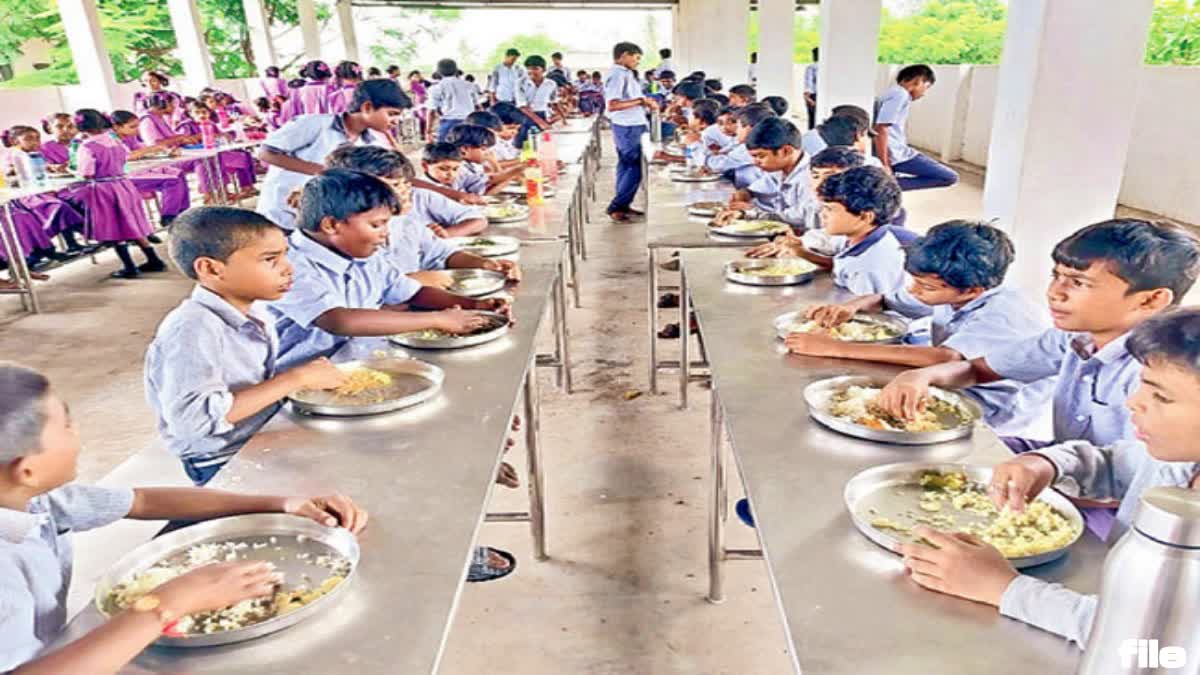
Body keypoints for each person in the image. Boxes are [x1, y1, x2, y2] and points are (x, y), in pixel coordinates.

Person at [0, 362, 369, 674]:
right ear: (27, 470)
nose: (77, 433)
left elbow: (142, 501)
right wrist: (166, 605)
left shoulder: (34, 499)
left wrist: (282, 503)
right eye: (66, 425)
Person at [896, 308, 1200, 648]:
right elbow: (1111, 463)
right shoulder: (1179, 461)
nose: (1133, 403)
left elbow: (1151, 645)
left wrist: (1004, 589)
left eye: (1161, 397)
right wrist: (1047, 463)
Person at [879, 219, 1200, 468]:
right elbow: (979, 370)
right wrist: (922, 377)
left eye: (1078, 283)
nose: (1054, 292)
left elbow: (1137, 476)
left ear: (1151, 300)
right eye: (1056, 276)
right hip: (1060, 461)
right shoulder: (1075, 337)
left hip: (1105, 496)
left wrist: (1038, 469)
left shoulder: (1158, 375)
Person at [145, 207, 349, 484]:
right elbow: (193, 424)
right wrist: (296, 378)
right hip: (223, 460)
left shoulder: (254, 310)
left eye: (285, 255)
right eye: (270, 259)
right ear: (211, 268)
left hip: (258, 433)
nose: (289, 269)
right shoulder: (192, 329)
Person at [793, 221, 1052, 434]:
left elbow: (944, 357)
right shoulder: (947, 287)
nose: (913, 290)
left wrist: (837, 348)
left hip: (996, 411)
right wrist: (852, 306)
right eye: (913, 281)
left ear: (972, 291)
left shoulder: (1006, 314)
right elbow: (886, 300)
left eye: (925, 287)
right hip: (953, 383)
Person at [268, 169, 505, 369]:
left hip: (357, 359)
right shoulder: (287, 263)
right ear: (331, 225)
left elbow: (412, 292)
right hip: (301, 378)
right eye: (376, 225)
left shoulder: (365, 255)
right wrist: (438, 319)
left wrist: (474, 306)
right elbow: (338, 320)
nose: (386, 233)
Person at [325, 145, 517, 280]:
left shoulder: (406, 223)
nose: (406, 191)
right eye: (395, 185)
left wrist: (487, 265)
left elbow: (442, 255)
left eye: (405, 183)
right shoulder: (349, 236)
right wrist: (418, 281)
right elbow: (376, 291)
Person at [256, 79, 410, 230]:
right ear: (367, 107)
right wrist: (328, 172)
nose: (396, 121)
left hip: (316, 217)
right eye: (392, 114)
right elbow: (265, 153)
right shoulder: (316, 124)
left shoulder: (371, 142)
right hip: (279, 211)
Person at [74, 109, 166, 279]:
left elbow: (87, 172)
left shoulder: (86, 147)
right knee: (131, 223)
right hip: (123, 184)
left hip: (104, 189)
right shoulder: (115, 141)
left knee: (115, 227)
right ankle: (153, 258)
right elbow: (124, 159)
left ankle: (129, 266)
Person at [715, 117, 814, 231]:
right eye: (753, 156)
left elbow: (798, 219)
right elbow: (758, 188)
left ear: (786, 151)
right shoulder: (780, 169)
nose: (755, 162)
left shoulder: (811, 179)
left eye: (760, 156)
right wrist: (744, 194)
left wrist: (748, 213)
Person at [874, 64, 959, 191]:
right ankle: (883, 186)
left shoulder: (890, 93)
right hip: (897, 154)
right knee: (949, 177)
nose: (924, 93)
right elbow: (881, 129)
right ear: (918, 81)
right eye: (926, 87)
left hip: (894, 152)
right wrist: (885, 164)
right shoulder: (900, 95)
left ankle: (884, 185)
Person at [108, 110, 192, 225]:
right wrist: (151, 149)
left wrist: (165, 152)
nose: (137, 130)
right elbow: (128, 156)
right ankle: (168, 217)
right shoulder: (110, 140)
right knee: (172, 181)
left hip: (139, 170)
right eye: (132, 127)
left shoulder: (129, 136)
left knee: (178, 173)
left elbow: (140, 150)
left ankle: (183, 212)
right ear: (116, 127)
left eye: (137, 126)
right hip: (123, 177)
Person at [705, 103, 774, 190]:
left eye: (738, 126)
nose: (736, 131)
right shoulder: (743, 143)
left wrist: (696, 146)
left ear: (749, 128)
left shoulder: (750, 149)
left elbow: (717, 164)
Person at [446, 124, 524, 195]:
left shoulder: (473, 165)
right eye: (483, 149)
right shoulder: (458, 167)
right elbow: (490, 179)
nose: (487, 153)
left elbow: (487, 189)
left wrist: (509, 175)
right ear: (464, 149)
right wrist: (521, 167)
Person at [427, 58, 477, 143]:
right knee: (468, 149)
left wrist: (428, 131)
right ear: (456, 71)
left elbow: (431, 111)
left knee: (446, 152)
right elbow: (477, 106)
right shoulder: (469, 85)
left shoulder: (436, 88)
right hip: (469, 122)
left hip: (448, 124)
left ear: (439, 72)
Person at [515, 55, 558, 147]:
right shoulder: (520, 82)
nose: (531, 71)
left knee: (543, 144)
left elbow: (554, 102)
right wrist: (541, 123)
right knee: (525, 144)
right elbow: (523, 107)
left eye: (535, 68)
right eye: (528, 69)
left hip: (543, 114)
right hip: (525, 116)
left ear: (544, 69)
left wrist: (561, 117)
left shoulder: (551, 84)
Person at [803, 48, 819, 130]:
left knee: (812, 119)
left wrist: (807, 98)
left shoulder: (811, 67)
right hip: (821, 95)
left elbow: (808, 83)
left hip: (813, 96)